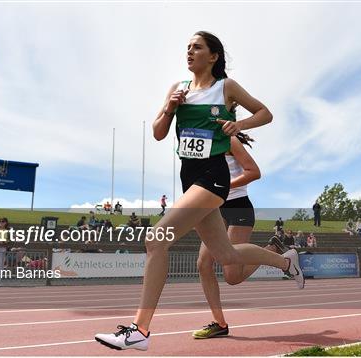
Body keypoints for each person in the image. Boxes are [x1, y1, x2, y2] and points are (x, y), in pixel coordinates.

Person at [95, 31, 303, 351]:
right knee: (227, 256)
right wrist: (168, 108)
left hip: (213, 176)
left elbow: (265, 113)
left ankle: (140, 330)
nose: (190, 52)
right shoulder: (178, 89)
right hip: (189, 177)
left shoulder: (225, 88)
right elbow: (159, 134)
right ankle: (286, 262)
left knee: (155, 239)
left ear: (213, 56)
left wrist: (239, 125)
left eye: (197, 47)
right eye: (187, 48)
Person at [193, 132, 287, 339]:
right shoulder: (201, 146)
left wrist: (224, 185)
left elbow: (254, 172)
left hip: (237, 208)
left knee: (232, 277)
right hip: (214, 207)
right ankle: (220, 323)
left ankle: (272, 250)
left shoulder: (230, 141)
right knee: (203, 263)